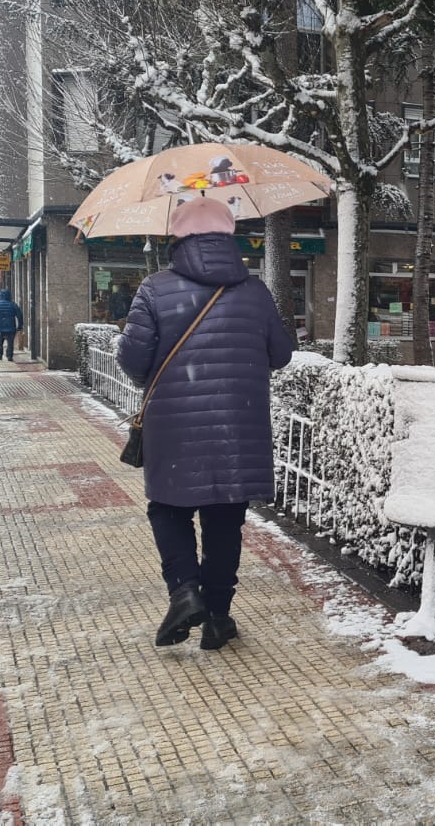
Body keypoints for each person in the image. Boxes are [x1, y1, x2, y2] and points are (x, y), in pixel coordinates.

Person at [117, 198, 293, 651]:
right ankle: (217, 617)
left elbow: (134, 364)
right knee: (225, 517)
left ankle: (184, 593)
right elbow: (281, 355)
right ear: (227, 237)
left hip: (174, 426)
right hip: (240, 425)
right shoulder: (255, 292)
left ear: (179, 238)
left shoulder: (155, 289)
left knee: (168, 507)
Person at [0, 289, 24, 361]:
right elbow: (19, 315)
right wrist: (20, 325)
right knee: (10, 343)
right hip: (11, 327)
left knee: (0, 342)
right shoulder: (13, 304)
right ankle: (9, 356)